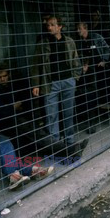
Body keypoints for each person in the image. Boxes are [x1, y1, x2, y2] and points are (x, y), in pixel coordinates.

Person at [0, 62, 54, 191]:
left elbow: (22, 103)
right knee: (5, 143)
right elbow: (2, 112)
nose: (2, 79)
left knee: (6, 148)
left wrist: (12, 108)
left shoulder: (11, 85)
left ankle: (17, 175)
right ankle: (28, 171)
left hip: (11, 122)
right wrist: (13, 107)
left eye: (5, 76)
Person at [31, 15, 82, 146]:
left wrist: (74, 78)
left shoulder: (69, 41)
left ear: (60, 27)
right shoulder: (42, 44)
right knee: (51, 115)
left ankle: (69, 141)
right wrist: (36, 84)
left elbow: (76, 60)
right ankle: (55, 144)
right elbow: (36, 65)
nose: (49, 27)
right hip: (50, 84)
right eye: (48, 25)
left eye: (53, 25)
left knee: (68, 113)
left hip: (67, 81)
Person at [76, 21, 110, 134]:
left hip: (98, 70)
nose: (78, 31)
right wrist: (83, 65)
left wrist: (104, 60)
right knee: (87, 95)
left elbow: (106, 48)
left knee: (95, 95)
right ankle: (89, 120)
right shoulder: (79, 41)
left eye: (79, 29)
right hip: (86, 72)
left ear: (85, 28)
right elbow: (79, 55)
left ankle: (96, 119)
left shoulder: (96, 37)